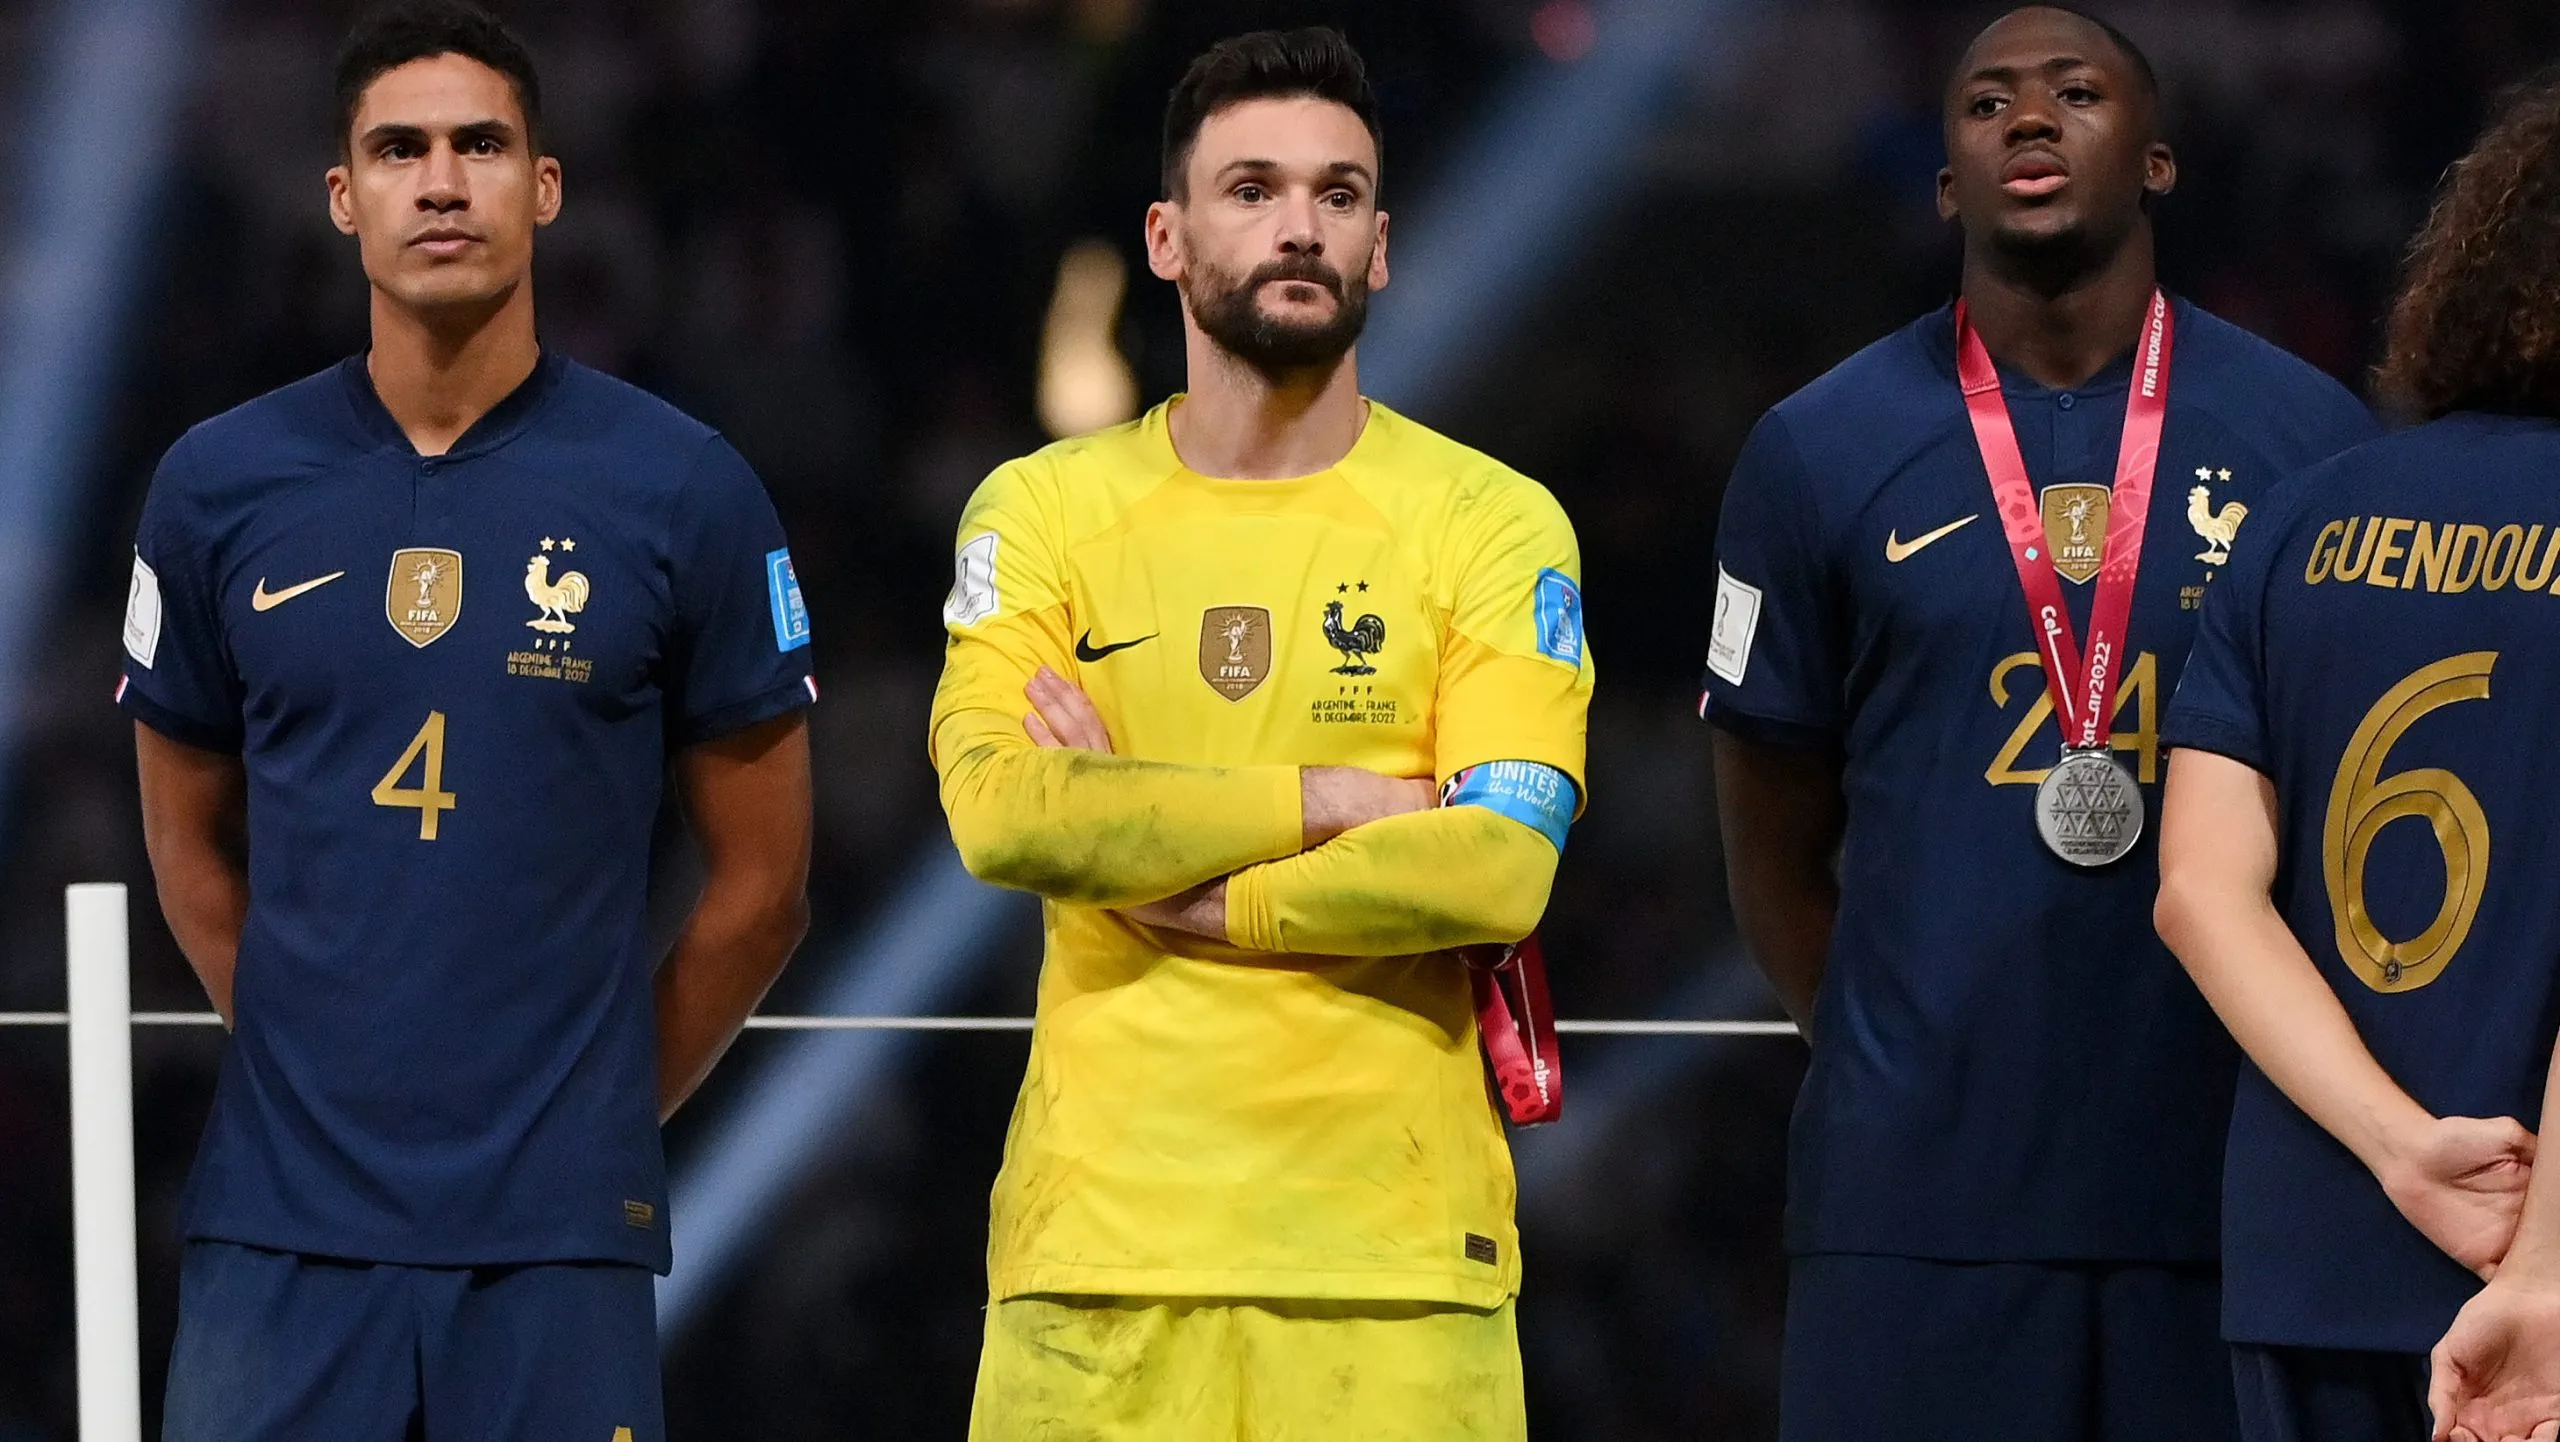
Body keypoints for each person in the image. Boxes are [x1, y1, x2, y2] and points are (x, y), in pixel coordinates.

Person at [121, 4, 816, 1437]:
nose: (441, 181)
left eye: (482, 145)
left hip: (559, 1240)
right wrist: (319, 1071)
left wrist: (596, 1112)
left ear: (545, 189)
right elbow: (184, 840)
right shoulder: (215, 484)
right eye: (399, 150)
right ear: (342, 197)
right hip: (283, 1232)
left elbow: (765, 889)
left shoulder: (684, 487)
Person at [1698, 6, 2378, 1437]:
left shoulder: (2314, 447)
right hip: (1913, 1214)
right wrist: (1897, 1056)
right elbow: (1767, 820)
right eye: (1987, 102)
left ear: (2160, 161)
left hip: (2227, 1194)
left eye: (2076, 92)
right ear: (1945, 182)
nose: (2028, 120)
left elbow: (2344, 814)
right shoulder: (1813, 449)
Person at [928, 27, 1590, 1441]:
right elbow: (1004, 810)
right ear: (1165, 237)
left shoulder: (1493, 521)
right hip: (1096, 1263)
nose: (1301, 224)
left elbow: (1496, 869)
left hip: (1398, 1276)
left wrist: (1193, 886)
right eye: (1253, 188)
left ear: (1384, 244)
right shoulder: (1039, 511)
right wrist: (1344, 795)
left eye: (1339, 194)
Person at [2157, 69, 2560, 1442]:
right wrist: (2547, 1259)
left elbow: (2199, 892)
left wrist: (2400, 1149)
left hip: (2318, 1244)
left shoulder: (2297, 519)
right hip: (2537, 1272)